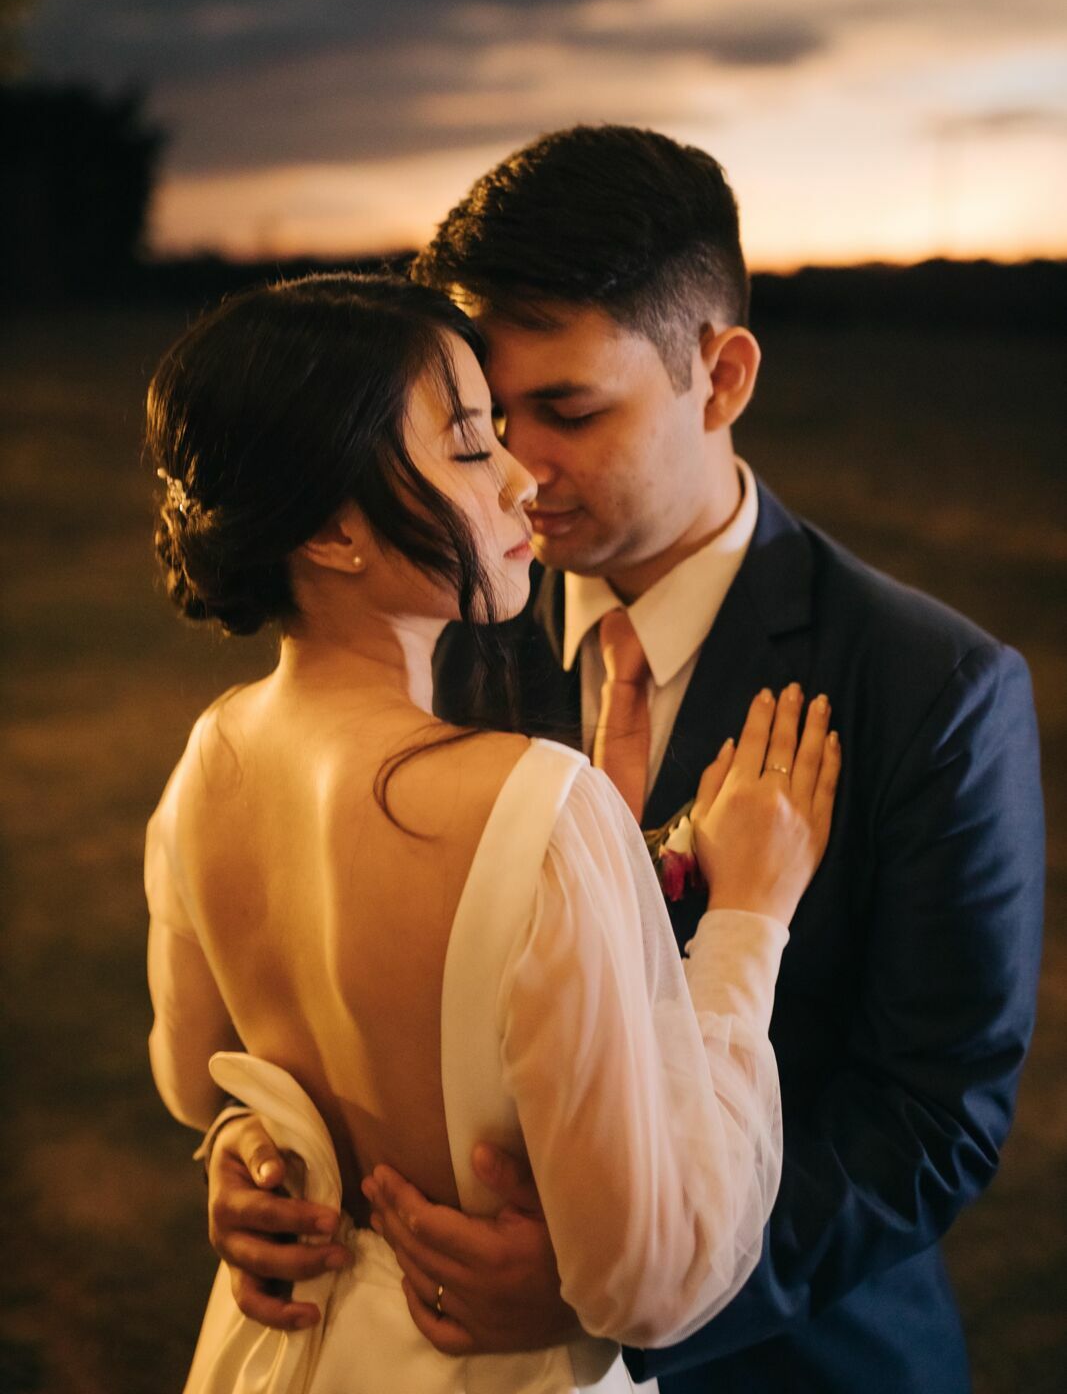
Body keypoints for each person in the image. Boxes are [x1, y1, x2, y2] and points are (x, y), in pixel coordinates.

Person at [207, 127, 1046, 1394]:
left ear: (720, 376)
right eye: (480, 419)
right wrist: (257, 1152)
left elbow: (933, 1117)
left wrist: (625, 1284)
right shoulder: (443, 640)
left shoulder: (933, 689)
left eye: (567, 410)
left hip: (791, 1365)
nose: (513, 471)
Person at [144, 270, 841, 1393]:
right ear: (330, 527)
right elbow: (655, 1275)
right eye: (471, 447)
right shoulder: (535, 806)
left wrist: (249, 1149)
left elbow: (194, 1080)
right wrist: (748, 919)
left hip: (278, 1354)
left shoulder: (207, 760)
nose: (521, 478)